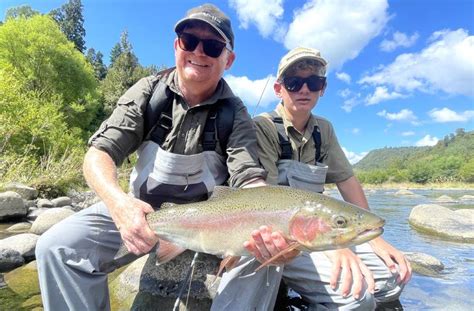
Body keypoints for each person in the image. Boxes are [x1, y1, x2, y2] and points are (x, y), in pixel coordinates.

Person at [35, 4, 266, 310]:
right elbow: (98, 154)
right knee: (55, 247)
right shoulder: (148, 92)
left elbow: (249, 178)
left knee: (267, 261)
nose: (199, 51)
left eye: (212, 46)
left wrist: (269, 221)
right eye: (189, 40)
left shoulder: (236, 114)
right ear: (176, 45)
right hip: (140, 214)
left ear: (229, 59)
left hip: (211, 223)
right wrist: (120, 206)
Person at [212, 47, 412, 310]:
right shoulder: (263, 127)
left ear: (323, 88)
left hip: (316, 233)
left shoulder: (324, 130)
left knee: (393, 277)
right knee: (358, 300)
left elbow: (347, 180)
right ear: (278, 89)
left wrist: (373, 238)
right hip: (273, 236)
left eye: (313, 82)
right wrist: (334, 248)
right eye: (294, 83)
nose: (304, 90)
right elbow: (266, 202)